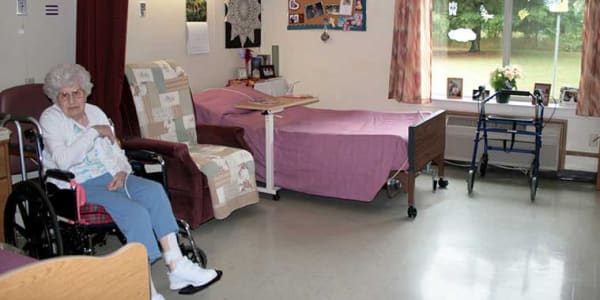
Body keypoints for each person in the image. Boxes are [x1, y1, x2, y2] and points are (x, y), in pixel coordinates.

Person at [40, 64, 222, 300]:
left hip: (113, 175)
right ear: (55, 97)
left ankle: (176, 265)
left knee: (154, 191)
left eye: (77, 93)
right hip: (79, 184)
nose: (72, 99)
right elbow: (63, 162)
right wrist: (93, 132)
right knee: (135, 213)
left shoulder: (95, 111)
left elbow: (115, 150)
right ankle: (143, 286)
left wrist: (124, 171)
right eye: (64, 95)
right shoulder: (51, 119)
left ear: (85, 92)